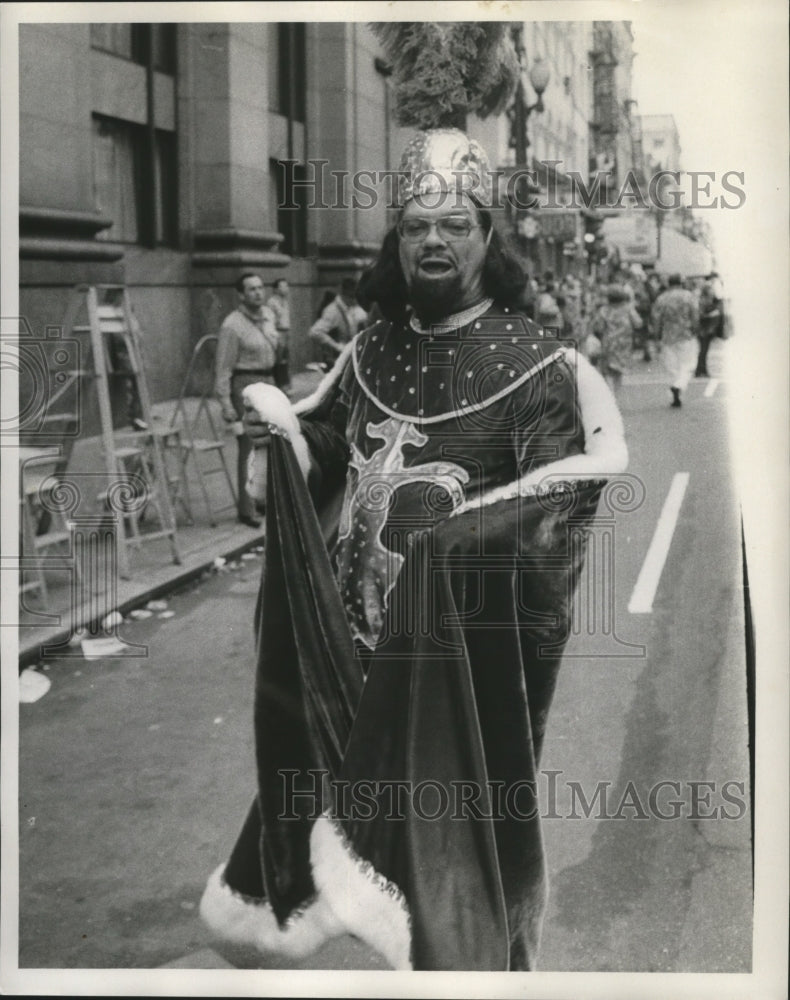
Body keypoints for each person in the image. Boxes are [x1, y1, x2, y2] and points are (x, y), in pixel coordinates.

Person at [200, 129, 628, 971]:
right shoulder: (373, 348)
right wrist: (280, 433)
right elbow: (328, 444)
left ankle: (484, 969)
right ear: (396, 242)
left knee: (462, 857)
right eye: (415, 227)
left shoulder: (540, 368)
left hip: (456, 670)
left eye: (455, 224)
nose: (433, 240)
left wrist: (455, 546)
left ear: (488, 236)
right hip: (353, 656)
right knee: (347, 836)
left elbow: (559, 505)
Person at [214, 272, 286, 527]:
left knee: (269, 446)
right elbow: (223, 367)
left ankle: (263, 500)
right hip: (245, 386)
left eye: (259, 287)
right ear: (241, 295)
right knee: (248, 448)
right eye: (251, 289)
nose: (257, 292)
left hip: (269, 383)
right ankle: (246, 509)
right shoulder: (232, 325)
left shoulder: (268, 315)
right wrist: (225, 403)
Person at [651, 272, 699, 408]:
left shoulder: (662, 298)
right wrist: (695, 329)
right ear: (681, 282)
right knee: (688, 364)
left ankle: (675, 390)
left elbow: (656, 318)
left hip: (668, 335)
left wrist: (656, 334)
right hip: (686, 333)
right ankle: (679, 385)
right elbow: (695, 315)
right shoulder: (689, 296)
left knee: (672, 366)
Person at [591, 283, 643, 395]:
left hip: (608, 343)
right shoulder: (628, 309)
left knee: (608, 372)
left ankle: (610, 394)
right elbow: (638, 323)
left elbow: (598, 327)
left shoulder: (604, 310)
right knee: (619, 372)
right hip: (624, 344)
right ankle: (615, 395)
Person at [308, 277, 368, 369]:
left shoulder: (351, 308)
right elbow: (315, 332)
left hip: (350, 355)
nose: (355, 301)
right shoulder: (333, 310)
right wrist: (336, 346)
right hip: (336, 358)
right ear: (346, 295)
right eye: (353, 297)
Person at [266, 277, 293, 392]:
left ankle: (285, 383)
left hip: (286, 331)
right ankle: (279, 384)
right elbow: (271, 320)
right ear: (276, 289)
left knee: (285, 359)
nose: (286, 289)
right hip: (277, 331)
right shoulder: (272, 302)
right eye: (283, 286)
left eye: (286, 286)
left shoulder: (285, 301)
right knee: (278, 359)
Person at [695, 273, 724, 377]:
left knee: (704, 349)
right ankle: (700, 370)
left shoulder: (703, 293)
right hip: (704, 326)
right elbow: (702, 312)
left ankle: (702, 369)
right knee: (703, 349)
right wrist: (713, 313)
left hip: (704, 325)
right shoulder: (705, 294)